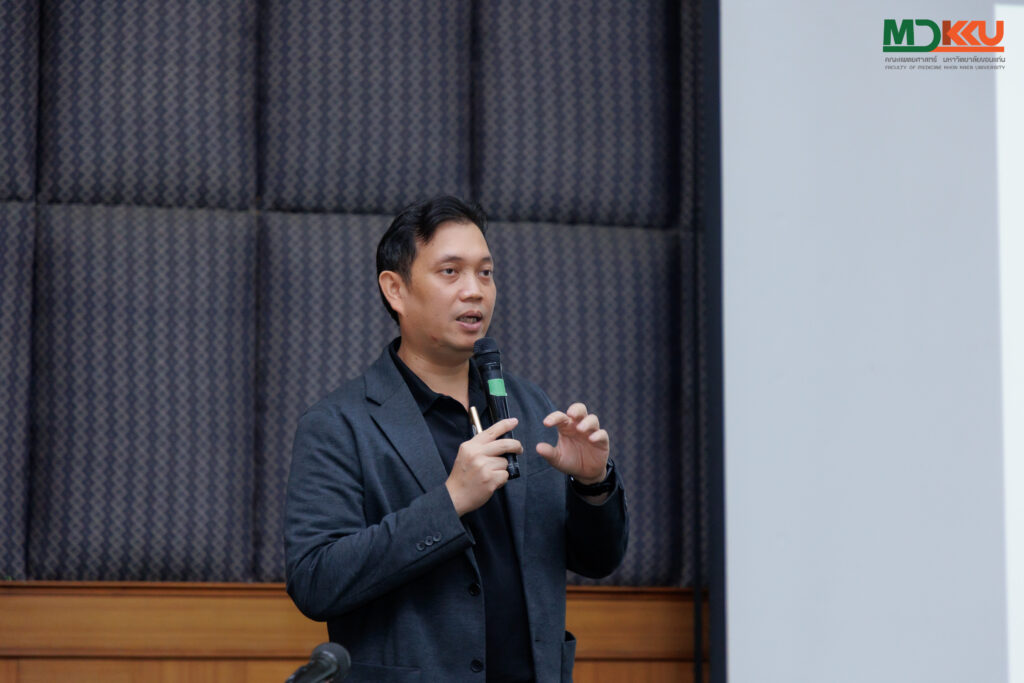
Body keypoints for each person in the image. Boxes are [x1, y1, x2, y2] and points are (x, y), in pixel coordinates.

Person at [284, 195, 628, 682]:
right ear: (395, 290)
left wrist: (594, 485)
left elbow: (597, 561)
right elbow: (315, 581)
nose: (475, 291)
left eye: (485, 273)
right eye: (451, 272)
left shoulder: (531, 407)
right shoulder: (340, 423)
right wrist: (449, 503)